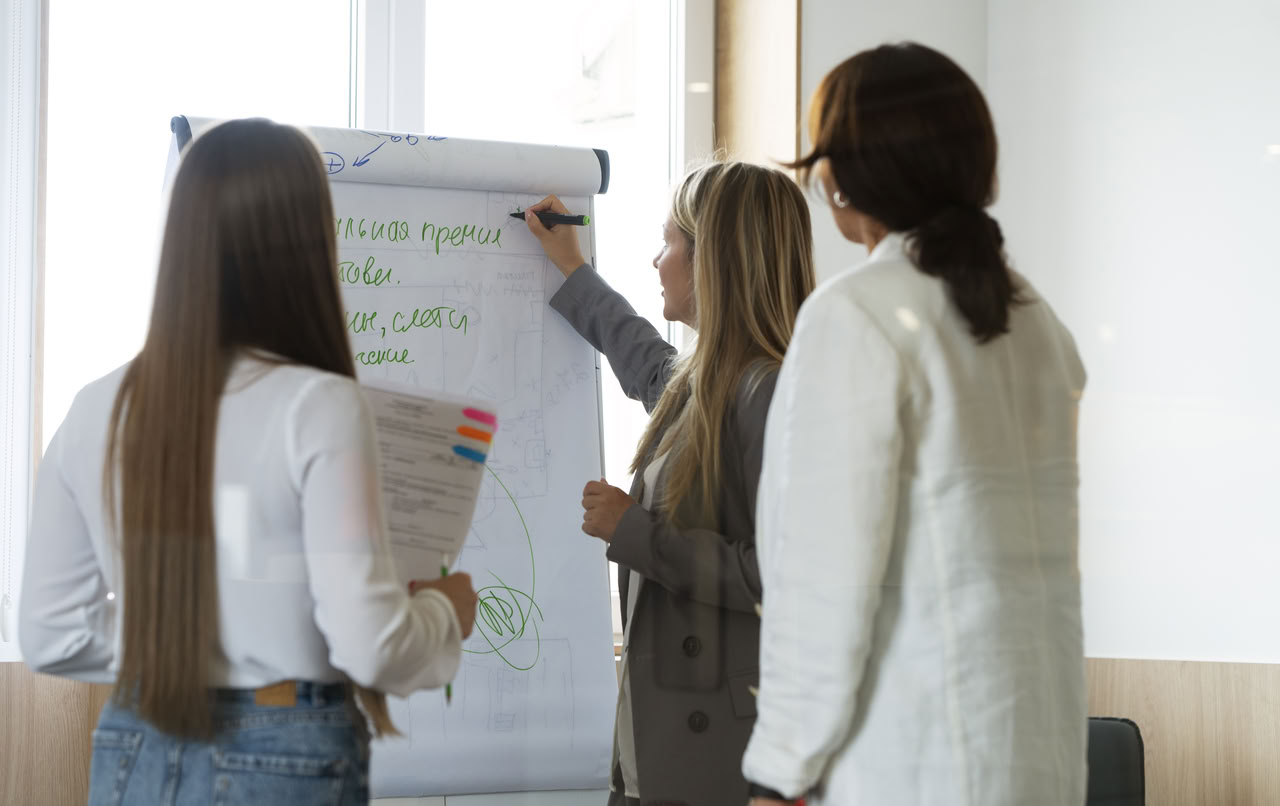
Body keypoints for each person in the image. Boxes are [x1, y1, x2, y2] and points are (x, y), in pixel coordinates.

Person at [19, 118, 479, 805]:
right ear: (307, 245)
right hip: (283, 750)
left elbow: (51, 634)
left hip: (135, 743)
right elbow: (370, 647)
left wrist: (177, 637)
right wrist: (445, 611)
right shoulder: (318, 405)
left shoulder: (96, 407)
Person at [742, 43, 1088, 806]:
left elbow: (823, 579)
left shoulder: (856, 315)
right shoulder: (1037, 323)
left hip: (908, 763)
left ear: (847, 174)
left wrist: (779, 770)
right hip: (1040, 760)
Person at [523, 160, 815, 806]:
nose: (657, 260)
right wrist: (572, 267)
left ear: (715, 259)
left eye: (669, 242)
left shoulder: (768, 392)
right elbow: (648, 362)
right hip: (659, 746)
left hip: (715, 762)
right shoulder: (708, 383)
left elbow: (780, 576)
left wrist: (634, 531)